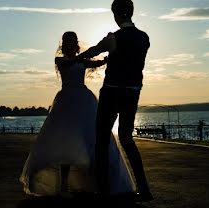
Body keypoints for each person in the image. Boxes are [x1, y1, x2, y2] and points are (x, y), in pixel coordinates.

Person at [20, 31, 136, 197]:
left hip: (83, 99)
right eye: (67, 41)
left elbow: (95, 63)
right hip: (66, 101)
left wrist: (107, 56)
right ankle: (64, 184)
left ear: (76, 43)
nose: (70, 44)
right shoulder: (60, 60)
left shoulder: (82, 60)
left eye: (72, 41)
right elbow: (70, 63)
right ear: (64, 44)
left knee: (90, 138)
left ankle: (95, 181)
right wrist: (89, 54)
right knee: (65, 142)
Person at [79, 0, 153, 202]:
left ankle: (103, 191)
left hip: (112, 91)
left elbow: (94, 50)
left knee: (101, 140)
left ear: (117, 14)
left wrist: (77, 58)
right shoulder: (144, 37)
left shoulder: (114, 37)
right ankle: (144, 189)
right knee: (127, 138)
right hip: (133, 91)